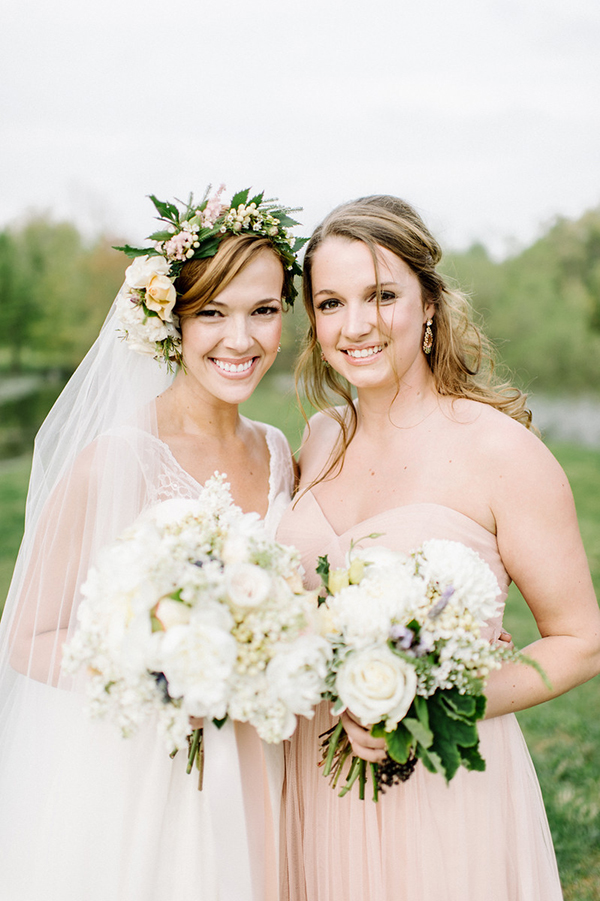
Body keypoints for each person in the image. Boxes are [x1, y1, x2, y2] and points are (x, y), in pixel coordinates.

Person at [277, 194, 600, 901]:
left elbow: (580, 639)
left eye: (382, 295)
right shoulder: (321, 437)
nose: (355, 325)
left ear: (429, 304)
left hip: (438, 791)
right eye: (330, 303)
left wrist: (433, 701)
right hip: (312, 778)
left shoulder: (501, 451)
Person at [0, 187, 304, 901]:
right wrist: (156, 670)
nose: (242, 339)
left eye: (263, 310)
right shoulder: (117, 455)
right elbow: (26, 633)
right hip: (142, 765)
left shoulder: (279, 449)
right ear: (171, 320)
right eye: (213, 314)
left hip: (260, 751)